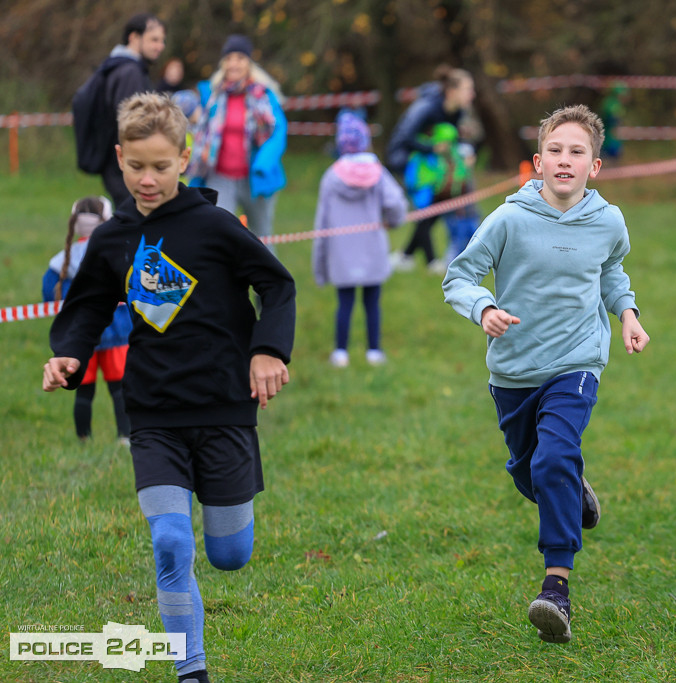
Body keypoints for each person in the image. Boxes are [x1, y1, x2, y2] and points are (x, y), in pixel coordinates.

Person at [43, 92, 296, 683]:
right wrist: (69, 357)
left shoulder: (215, 227)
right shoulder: (112, 239)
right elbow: (87, 307)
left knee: (228, 556)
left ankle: (228, 532)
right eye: (136, 166)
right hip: (153, 412)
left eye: (161, 165)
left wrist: (266, 350)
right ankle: (191, 668)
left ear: (185, 158)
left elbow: (277, 287)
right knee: (171, 544)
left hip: (225, 410)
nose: (148, 178)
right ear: (119, 158)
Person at [442, 104, 650, 644]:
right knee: (527, 471)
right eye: (555, 151)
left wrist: (626, 313)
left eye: (576, 152)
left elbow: (610, 271)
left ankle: (555, 587)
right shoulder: (508, 219)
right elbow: (459, 275)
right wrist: (484, 309)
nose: (565, 160)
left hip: (576, 363)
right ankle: (569, 489)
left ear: (594, 166)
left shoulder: (608, 221)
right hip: (513, 370)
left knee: (554, 455)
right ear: (537, 162)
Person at [313, 112, 408, 368]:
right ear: (365, 141)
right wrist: (394, 220)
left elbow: (321, 221)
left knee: (344, 302)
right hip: (372, 250)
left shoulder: (331, 177)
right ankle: (374, 351)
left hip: (341, 253)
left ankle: (341, 352)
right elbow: (396, 203)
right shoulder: (377, 172)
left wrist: (319, 265)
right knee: (372, 302)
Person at [42, 196, 131, 444]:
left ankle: (83, 438)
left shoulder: (62, 261)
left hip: (80, 342)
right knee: (119, 390)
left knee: (83, 391)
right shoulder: (115, 253)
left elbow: (49, 291)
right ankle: (124, 437)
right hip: (117, 335)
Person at [188, 34, 287, 250]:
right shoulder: (210, 94)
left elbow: (278, 132)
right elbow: (194, 122)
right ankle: (225, 281)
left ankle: (268, 281)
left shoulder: (264, 95)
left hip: (254, 178)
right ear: (223, 63)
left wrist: (263, 163)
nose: (234, 63)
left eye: (240, 58)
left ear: (249, 63)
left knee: (262, 238)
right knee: (218, 235)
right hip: (219, 176)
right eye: (229, 58)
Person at [385, 65, 476, 272]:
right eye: (467, 89)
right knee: (428, 207)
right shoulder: (427, 107)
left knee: (433, 208)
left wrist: (466, 150)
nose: (472, 94)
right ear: (452, 91)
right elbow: (405, 137)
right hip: (408, 160)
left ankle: (405, 256)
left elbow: (455, 137)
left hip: (432, 164)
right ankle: (430, 261)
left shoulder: (457, 111)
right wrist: (433, 147)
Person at [94, 13, 167, 206]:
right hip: (126, 168)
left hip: (122, 166)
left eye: (162, 41)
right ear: (134, 37)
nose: (160, 46)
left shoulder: (121, 67)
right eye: (154, 39)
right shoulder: (130, 73)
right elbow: (131, 125)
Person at [598, 81, 629, 161]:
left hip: (614, 139)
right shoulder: (610, 103)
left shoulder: (617, 104)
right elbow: (611, 118)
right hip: (607, 139)